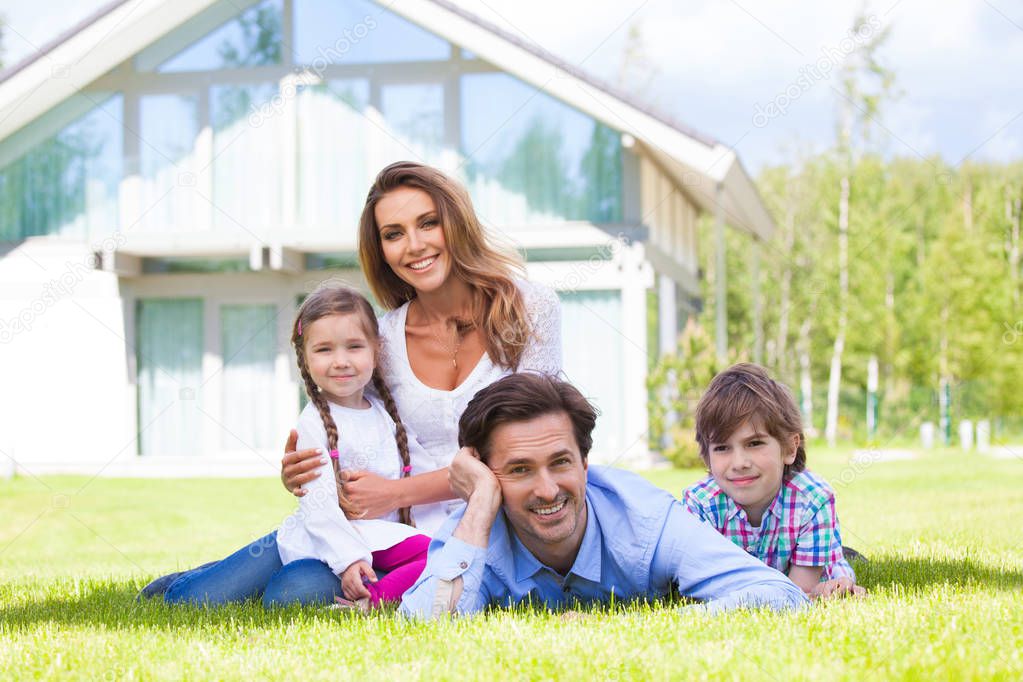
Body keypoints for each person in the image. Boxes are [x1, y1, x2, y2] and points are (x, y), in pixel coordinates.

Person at [141, 162, 561, 604]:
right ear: (380, 249)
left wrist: (397, 491)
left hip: (479, 527)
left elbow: (535, 447)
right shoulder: (383, 341)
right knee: (300, 565)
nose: (414, 246)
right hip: (382, 533)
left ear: (456, 224)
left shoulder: (530, 310)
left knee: (295, 591)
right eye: (393, 234)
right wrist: (306, 469)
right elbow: (352, 426)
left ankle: (213, 578)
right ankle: (201, 583)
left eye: (428, 223)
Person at [399, 373, 809, 619]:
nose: (547, 490)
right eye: (520, 469)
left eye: (561, 462)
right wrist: (481, 503)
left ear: (585, 462)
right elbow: (424, 626)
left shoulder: (645, 520)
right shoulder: (472, 532)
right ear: (487, 475)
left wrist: (650, 626)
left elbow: (780, 595)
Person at [163, 285, 440, 608]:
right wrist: (349, 559)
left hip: (375, 542)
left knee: (289, 596)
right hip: (318, 539)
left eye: (354, 346)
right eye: (324, 350)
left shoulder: (386, 416)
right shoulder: (315, 423)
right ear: (304, 358)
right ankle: (180, 582)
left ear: (375, 351)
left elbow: (425, 472)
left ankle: (260, 578)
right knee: (189, 601)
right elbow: (319, 505)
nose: (341, 361)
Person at [682, 363, 865, 600]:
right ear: (707, 457)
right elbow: (701, 584)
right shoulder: (700, 504)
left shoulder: (813, 500)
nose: (739, 462)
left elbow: (794, 595)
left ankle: (838, 553)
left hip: (808, 575)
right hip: (751, 578)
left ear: (789, 448)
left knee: (832, 589)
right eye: (722, 448)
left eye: (754, 443)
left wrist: (813, 594)